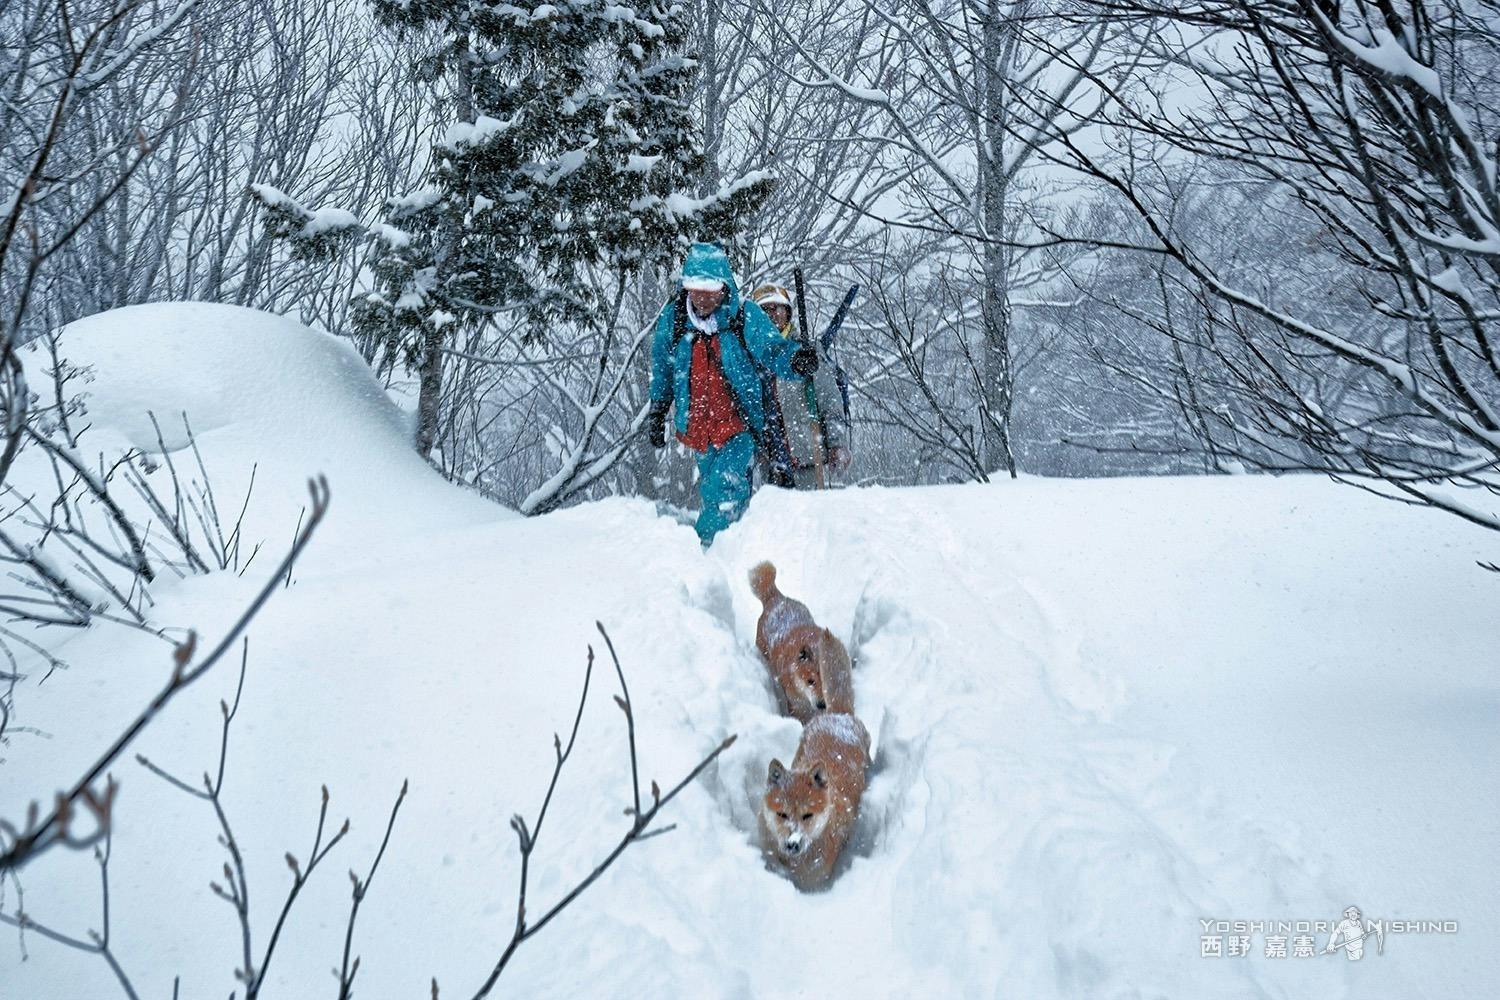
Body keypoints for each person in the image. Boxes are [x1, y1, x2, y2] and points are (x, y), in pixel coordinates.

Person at [646, 243, 818, 546]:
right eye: (695, 288)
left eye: (710, 288)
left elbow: (772, 348)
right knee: (712, 487)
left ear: (724, 286)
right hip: (699, 425)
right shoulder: (674, 320)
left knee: (727, 488)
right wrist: (659, 409)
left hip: (738, 422)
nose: (702, 296)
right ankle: (739, 550)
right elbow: (663, 366)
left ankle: (708, 552)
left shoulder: (744, 317)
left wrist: (794, 360)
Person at [747, 283, 851, 488]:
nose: (770, 315)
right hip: (767, 467)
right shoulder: (750, 358)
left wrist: (837, 443)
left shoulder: (806, 353)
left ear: (787, 312)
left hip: (808, 463)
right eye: (763, 310)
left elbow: (830, 400)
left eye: (776, 308)